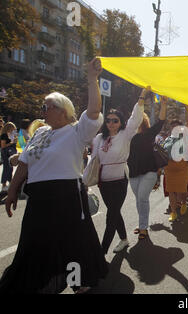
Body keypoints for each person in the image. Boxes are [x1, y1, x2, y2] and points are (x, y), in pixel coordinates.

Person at [0, 58, 108, 294]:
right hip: (38, 199)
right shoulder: (39, 133)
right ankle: (33, 285)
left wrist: (92, 78)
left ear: (62, 110)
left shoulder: (77, 131)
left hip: (67, 196)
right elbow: (24, 165)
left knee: (71, 244)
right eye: (43, 107)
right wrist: (11, 192)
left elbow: (94, 111)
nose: (43, 111)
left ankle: (78, 283)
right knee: (32, 243)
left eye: (47, 107)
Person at [87, 89, 146, 254]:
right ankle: (124, 239)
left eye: (115, 120)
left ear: (121, 122)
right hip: (103, 182)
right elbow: (93, 161)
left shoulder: (125, 135)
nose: (111, 123)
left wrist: (141, 98)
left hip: (120, 180)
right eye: (108, 120)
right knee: (114, 212)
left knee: (110, 215)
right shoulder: (99, 138)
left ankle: (101, 251)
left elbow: (135, 119)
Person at [128, 97, 167, 240]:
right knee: (139, 199)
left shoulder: (149, 134)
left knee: (143, 198)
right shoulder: (127, 135)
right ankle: (142, 223)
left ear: (142, 121)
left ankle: (143, 227)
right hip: (133, 173)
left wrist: (163, 104)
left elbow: (161, 121)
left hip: (149, 171)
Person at [162, 118, 188, 222]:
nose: (174, 128)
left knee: (181, 190)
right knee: (171, 191)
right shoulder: (167, 139)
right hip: (169, 168)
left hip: (182, 167)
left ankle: (183, 203)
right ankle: (173, 212)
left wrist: (187, 108)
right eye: (172, 126)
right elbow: (163, 152)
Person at [1, 122, 18, 191]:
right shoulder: (4, 135)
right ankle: (4, 183)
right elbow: (3, 146)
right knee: (6, 167)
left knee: (10, 167)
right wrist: (12, 142)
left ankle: (9, 181)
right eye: (12, 128)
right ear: (9, 128)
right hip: (5, 153)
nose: (13, 130)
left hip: (8, 152)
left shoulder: (8, 134)